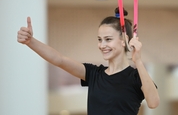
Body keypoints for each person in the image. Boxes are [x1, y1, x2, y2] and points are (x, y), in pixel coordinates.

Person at [17, 7, 160, 115]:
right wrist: (31, 42)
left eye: (108, 39)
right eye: (99, 40)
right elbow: (59, 60)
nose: (102, 45)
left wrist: (138, 61)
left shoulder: (135, 77)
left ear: (124, 41)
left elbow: (153, 103)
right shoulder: (94, 74)